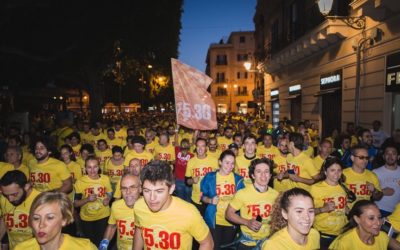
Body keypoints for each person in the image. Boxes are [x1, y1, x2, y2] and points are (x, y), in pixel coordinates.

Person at [133, 160, 213, 250]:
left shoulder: (189, 213)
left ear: (171, 189)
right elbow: (139, 229)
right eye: (147, 191)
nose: (152, 198)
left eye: (159, 191)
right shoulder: (138, 206)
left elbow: (207, 243)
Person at [226, 158, 279, 249]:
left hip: (269, 243)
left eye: (266, 171)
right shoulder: (242, 193)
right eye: (259, 171)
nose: (263, 175)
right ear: (253, 175)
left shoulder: (276, 195)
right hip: (247, 244)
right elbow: (228, 214)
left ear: (270, 175)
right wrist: (247, 222)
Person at [14, 191, 96, 249]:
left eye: (49, 217)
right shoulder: (21, 248)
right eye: (36, 218)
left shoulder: (85, 248)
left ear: (64, 220)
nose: (41, 225)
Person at [201, 150, 245, 249]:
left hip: (231, 221)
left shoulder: (238, 180)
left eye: (232, 163)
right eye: (227, 162)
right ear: (220, 162)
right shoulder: (210, 177)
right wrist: (210, 200)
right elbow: (202, 196)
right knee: (215, 247)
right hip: (214, 221)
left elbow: (244, 200)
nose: (230, 166)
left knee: (227, 248)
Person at [310, 157, 348, 249]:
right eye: (332, 170)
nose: (336, 174)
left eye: (339, 170)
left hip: (341, 234)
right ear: (325, 172)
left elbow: (345, 207)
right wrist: (323, 209)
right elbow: (307, 211)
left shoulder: (344, 187)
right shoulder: (315, 188)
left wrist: (348, 210)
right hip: (323, 236)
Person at [329, 200, 400, 249]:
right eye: (371, 218)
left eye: (379, 217)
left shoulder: (382, 237)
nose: (378, 223)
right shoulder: (344, 243)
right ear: (357, 219)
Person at [74, 156, 112, 246]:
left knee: (102, 243)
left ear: (99, 167)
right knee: (90, 244)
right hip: (87, 218)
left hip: (103, 216)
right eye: (89, 167)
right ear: (85, 168)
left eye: (95, 167)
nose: (92, 170)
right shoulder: (80, 182)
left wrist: (108, 199)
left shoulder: (105, 179)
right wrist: (87, 199)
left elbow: (110, 192)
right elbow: (75, 204)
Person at [0, 171, 41, 249]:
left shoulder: (41, 200)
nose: (10, 199)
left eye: (14, 194)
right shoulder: (4, 199)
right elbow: (5, 219)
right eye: (6, 195)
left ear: (26, 186)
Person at [99, 174, 140, 250]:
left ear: (140, 189)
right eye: (124, 188)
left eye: (132, 187)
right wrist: (103, 245)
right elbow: (112, 226)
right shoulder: (116, 206)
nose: (128, 192)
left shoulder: (148, 207)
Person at [185, 138, 218, 214]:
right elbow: (187, 181)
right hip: (196, 199)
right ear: (195, 148)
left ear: (206, 147)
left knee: (210, 224)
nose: (200, 149)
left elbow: (220, 178)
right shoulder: (191, 161)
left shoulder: (214, 160)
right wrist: (192, 180)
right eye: (198, 146)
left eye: (202, 146)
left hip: (211, 198)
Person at [373, 145, 400, 217]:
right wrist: (383, 192)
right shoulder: (375, 172)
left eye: (393, 153)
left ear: (398, 157)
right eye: (387, 153)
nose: (390, 156)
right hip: (379, 210)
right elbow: (371, 196)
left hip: (397, 212)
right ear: (383, 156)